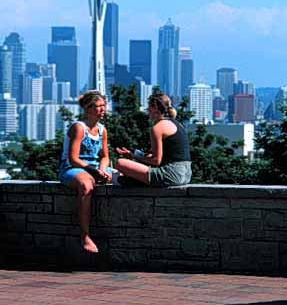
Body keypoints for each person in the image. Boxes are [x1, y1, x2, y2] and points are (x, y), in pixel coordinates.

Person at [59, 90, 112, 253]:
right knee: (86, 185)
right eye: (98, 106)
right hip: (74, 168)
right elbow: (73, 158)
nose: (102, 109)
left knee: (124, 177)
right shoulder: (79, 128)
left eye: (104, 105)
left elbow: (104, 156)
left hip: (95, 167)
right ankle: (85, 235)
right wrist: (93, 171)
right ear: (88, 109)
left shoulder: (102, 130)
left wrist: (102, 170)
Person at [116, 93, 192, 186]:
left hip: (172, 174)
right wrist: (137, 155)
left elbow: (156, 161)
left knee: (120, 163)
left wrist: (133, 157)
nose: (147, 110)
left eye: (149, 107)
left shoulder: (158, 128)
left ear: (155, 107)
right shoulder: (177, 124)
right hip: (186, 174)